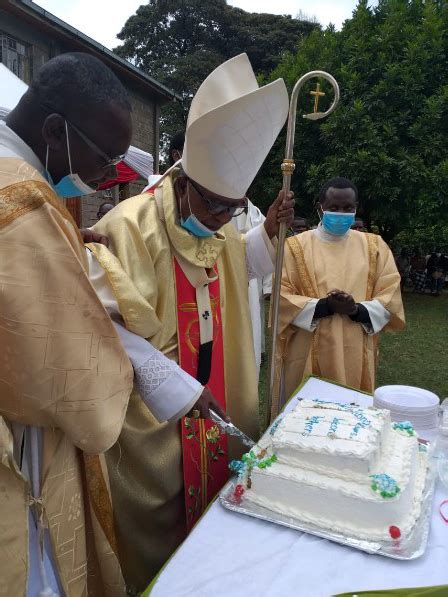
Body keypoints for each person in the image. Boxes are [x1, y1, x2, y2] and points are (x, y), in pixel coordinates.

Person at [87, 53, 293, 590]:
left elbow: (235, 266)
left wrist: (264, 233)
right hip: (155, 413)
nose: (223, 220)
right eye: (216, 206)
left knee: (221, 513)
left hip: (217, 383)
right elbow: (105, 324)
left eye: (234, 208)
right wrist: (178, 389)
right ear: (183, 180)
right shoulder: (127, 227)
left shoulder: (217, 221)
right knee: (159, 524)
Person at [0, 52, 135, 595]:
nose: (105, 177)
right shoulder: (22, 195)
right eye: (106, 159)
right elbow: (66, 374)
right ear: (55, 131)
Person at [275, 177, 404, 413]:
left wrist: (356, 310)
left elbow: (390, 293)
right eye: (334, 208)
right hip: (307, 347)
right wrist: (324, 306)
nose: (341, 213)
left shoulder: (374, 246)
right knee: (305, 420)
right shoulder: (295, 247)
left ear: (356, 208)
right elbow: (280, 296)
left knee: (349, 417)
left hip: (355, 345)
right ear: (319, 207)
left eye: (348, 208)